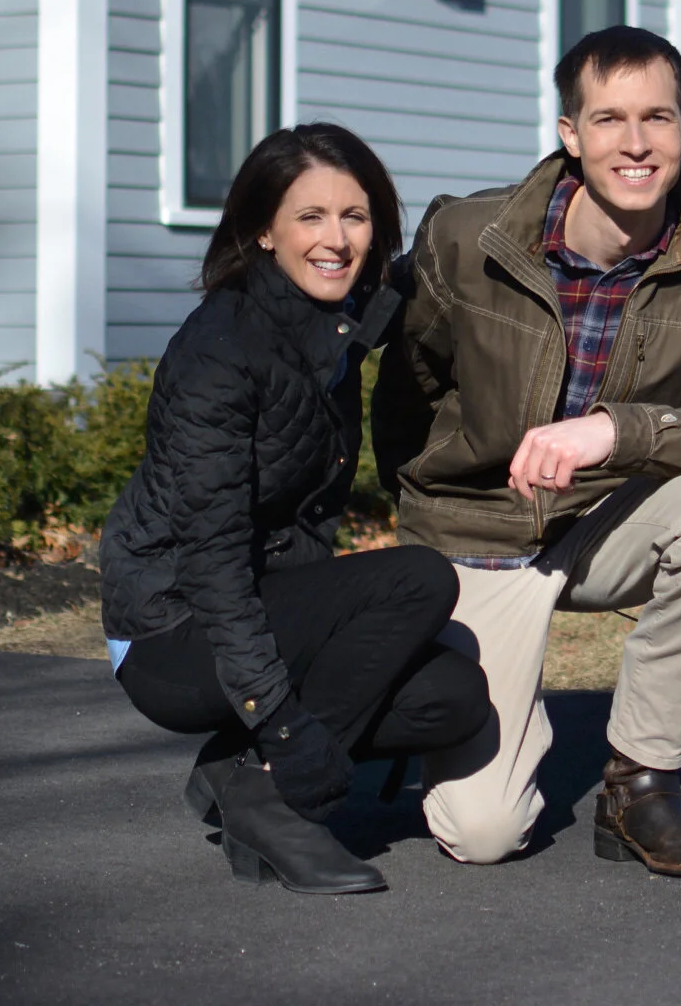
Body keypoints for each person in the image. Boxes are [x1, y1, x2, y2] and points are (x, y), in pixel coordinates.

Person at [374, 26, 681, 878]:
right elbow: (405, 389)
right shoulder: (467, 237)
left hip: (611, 521)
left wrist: (621, 428)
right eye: (608, 120)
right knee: (484, 834)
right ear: (570, 133)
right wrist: (429, 516)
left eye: (657, 118)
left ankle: (642, 784)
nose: (634, 144)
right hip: (480, 536)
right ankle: (417, 698)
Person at [98, 124, 492, 895]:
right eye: (310, 216)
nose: (336, 239)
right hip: (173, 630)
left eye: (356, 216)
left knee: (452, 698)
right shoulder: (221, 352)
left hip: (253, 605)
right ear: (261, 231)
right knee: (417, 581)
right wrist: (281, 724)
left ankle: (236, 773)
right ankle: (269, 794)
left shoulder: (331, 328)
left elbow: (431, 265)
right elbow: (211, 565)